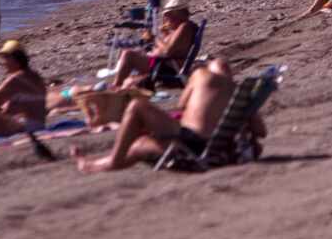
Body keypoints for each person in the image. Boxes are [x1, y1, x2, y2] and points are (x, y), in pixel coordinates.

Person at [73, 57, 265, 172]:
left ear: (210, 69)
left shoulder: (201, 75)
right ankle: (98, 164)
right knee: (140, 145)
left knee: (137, 107)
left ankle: (108, 162)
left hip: (195, 145)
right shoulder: (241, 92)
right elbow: (260, 131)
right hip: (228, 149)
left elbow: (181, 106)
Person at [107, 0, 198, 88]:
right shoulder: (179, 28)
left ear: (178, 14)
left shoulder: (184, 27)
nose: (166, 19)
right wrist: (164, 35)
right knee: (135, 54)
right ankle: (122, 85)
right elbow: (170, 48)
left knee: (128, 54)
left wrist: (156, 38)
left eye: (168, 15)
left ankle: (116, 86)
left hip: (166, 67)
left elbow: (167, 51)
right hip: (163, 63)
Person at [0, 40, 48, 129]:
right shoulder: (35, 76)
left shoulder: (17, 78)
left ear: (16, 58)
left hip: (26, 126)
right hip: (39, 124)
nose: (3, 63)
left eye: (6, 58)